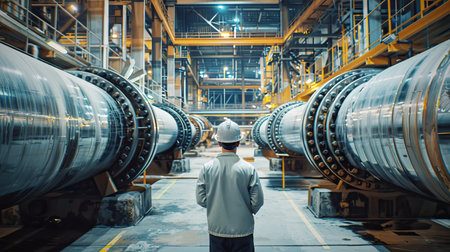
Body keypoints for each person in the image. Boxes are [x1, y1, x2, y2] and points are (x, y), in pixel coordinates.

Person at [196, 119, 264, 252]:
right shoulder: (248, 169)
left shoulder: (207, 168)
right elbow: (257, 201)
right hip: (243, 229)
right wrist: (245, 209)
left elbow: (201, 199)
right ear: (238, 142)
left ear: (219, 142)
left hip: (217, 229)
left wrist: (215, 206)